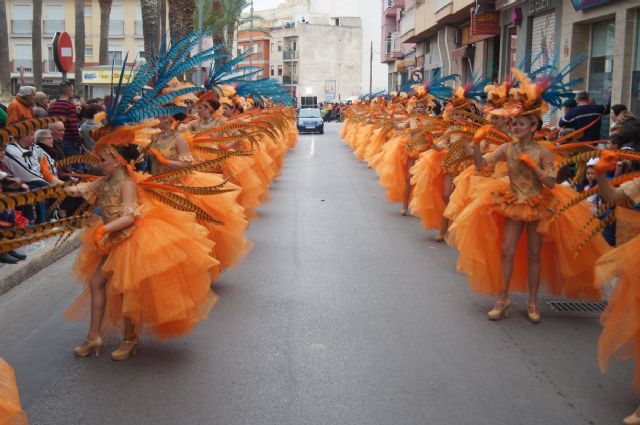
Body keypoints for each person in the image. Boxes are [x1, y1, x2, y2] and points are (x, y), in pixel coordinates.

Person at [64, 143, 219, 360]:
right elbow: (79, 190)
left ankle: (130, 339)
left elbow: (130, 217)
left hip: (129, 240)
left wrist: (104, 228)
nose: (99, 165)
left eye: (102, 160)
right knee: (96, 283)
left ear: (116, 161)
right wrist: (50, 181)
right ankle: (93, 337)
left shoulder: (127, 183)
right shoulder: (106, 181)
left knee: (127, 291)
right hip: (110, 240)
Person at [2, 133, 63, 223]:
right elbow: (26, 174)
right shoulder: (11, 150)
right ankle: (41, 223)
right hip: (20, 182)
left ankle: (51, 217)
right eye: (31, 134)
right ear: (23, 136)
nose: (34, 137)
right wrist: (49, 180)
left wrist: (54, 176)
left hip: (35, 179)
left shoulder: (35, 147)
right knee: (43, 188)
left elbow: (49, 162)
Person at [48, 81, 83, 168]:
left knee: (63, 167)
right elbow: (73, 126)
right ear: (69, 91)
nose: (73, 93)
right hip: (69, 140)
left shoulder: (52, 106)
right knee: (77, 168)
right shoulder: (69, 106)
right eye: (73, 90)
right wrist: (78, 142)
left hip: (55, 140)